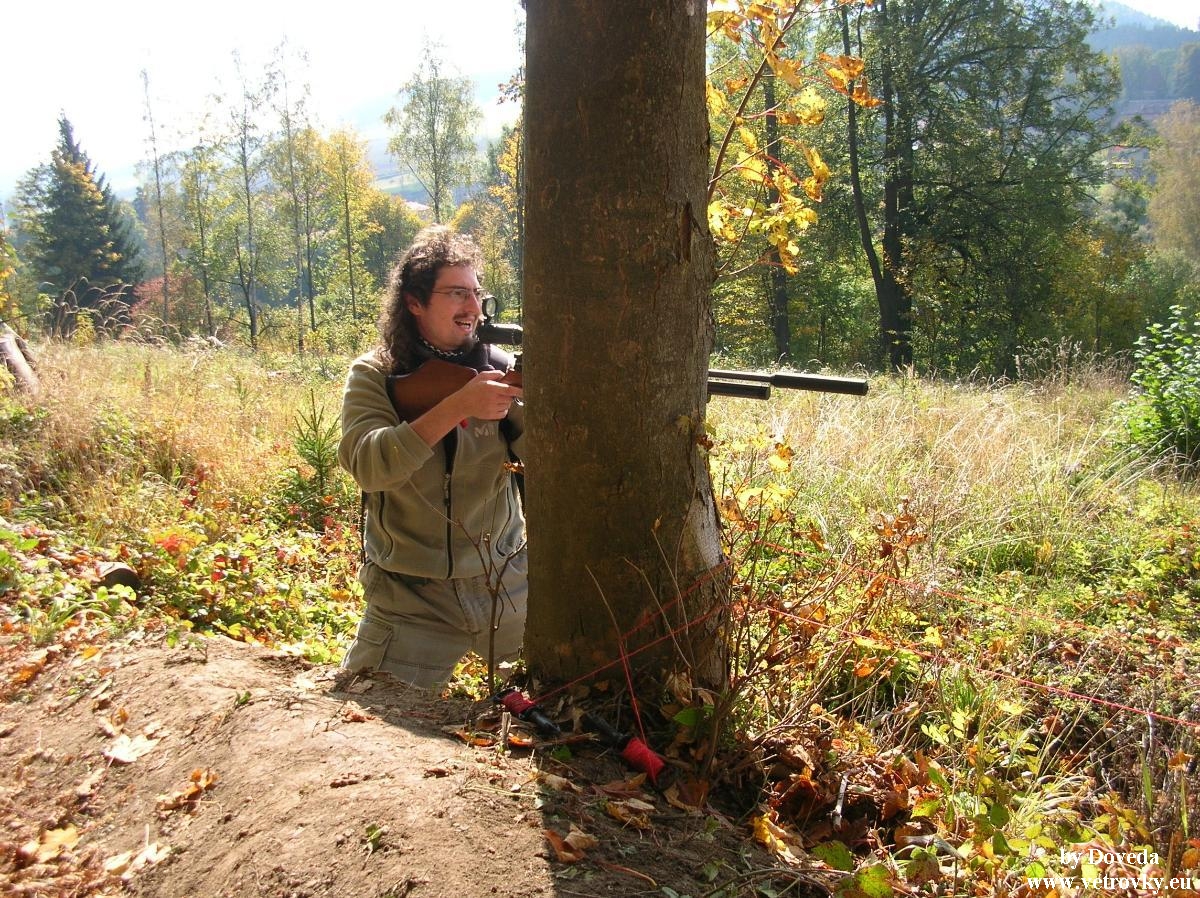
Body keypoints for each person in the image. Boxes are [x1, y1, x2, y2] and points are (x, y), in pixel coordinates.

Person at [338, 225, 526, 688]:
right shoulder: (376, 375)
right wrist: (458, 407)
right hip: (409, 595)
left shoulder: (501, 369)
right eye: (457, 293)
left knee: (560, 703)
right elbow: (368, 465)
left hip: (506, 580)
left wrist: (535, 410)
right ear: (414, 302)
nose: (473, 307)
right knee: (365, 714)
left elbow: (548, 466)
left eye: (477, 293)